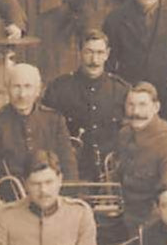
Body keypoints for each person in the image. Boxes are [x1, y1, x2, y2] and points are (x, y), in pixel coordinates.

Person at [44, 30, 130, 181]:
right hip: (72, 172)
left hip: (112, 174)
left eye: (100, 53)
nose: (94, 60)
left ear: (107, 54)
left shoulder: (121, 90)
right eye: (89, 52)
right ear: (79, 52)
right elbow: (47, 134)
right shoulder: (59, 89)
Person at [0, 63, 78, 189]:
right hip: (10, 203)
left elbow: (69, 169)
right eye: (16, 87)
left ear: (38, 90)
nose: (22, 94)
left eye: (28, 86)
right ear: (7, 89)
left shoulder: (54, 120)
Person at [111, 82, 167, 231]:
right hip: (122, 213)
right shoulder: (124, 134)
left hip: (151, 221)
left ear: (156, 107)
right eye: (130, 105)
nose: (136, 111)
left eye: (143, 105)